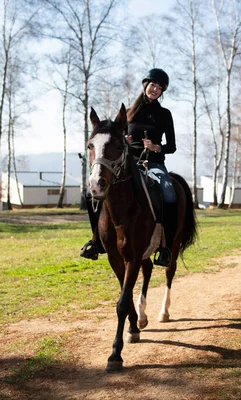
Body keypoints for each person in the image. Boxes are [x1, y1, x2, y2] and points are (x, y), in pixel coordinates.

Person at [80, 68, 177, 266]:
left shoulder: (165, 114)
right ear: (145, 85)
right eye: (152, 85)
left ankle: (165, 245)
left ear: (162, 92)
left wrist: (156, 146)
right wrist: (124, 139)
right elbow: (115, 139)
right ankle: (95, 241)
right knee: (90, 194)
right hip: (127, 165)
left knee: (168, 192)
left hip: (154, 164)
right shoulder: (129, 113)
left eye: (159, 88)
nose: (155, 90)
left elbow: (172, 147)